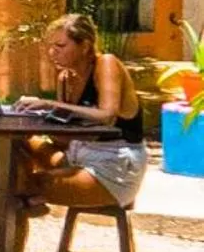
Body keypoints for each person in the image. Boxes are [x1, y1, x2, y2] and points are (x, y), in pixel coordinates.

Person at [14, 12, 147, 210]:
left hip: (112, 166)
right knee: (15, 143)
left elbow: (107, 115)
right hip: (77, 156)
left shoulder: (106, 64)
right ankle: (29, 203)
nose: (52, 53)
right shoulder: (65, 78)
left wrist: (50, 105)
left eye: (60, 46)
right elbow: (63, 140)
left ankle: (28, 201)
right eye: (50, 46)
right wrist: (35, 120)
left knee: (19, 186)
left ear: (84, 46)